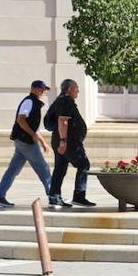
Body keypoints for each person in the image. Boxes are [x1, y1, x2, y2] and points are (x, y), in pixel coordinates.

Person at [0, 80, 51, 209]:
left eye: (44, 89)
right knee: (43, 169)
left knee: (12, 170)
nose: (43, 91)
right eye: (41, 89)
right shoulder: (29, 101)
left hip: (22, 142)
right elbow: (21, 120)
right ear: (33, 89)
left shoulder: (34, 103)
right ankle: (53, 196)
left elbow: (34, 128)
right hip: (26, 142)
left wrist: (43, 142)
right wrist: (32, 135)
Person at [43, 79, 96, 209]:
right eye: (76, 88)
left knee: (60, 168)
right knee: (83, 164)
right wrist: (63, 142)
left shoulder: (60, 100)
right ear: (69, 89)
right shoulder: (65, 101)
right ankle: (79, 196)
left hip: (61, 140)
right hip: (68, 142)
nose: (78, 91)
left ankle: (54, 197)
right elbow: (63, 121)